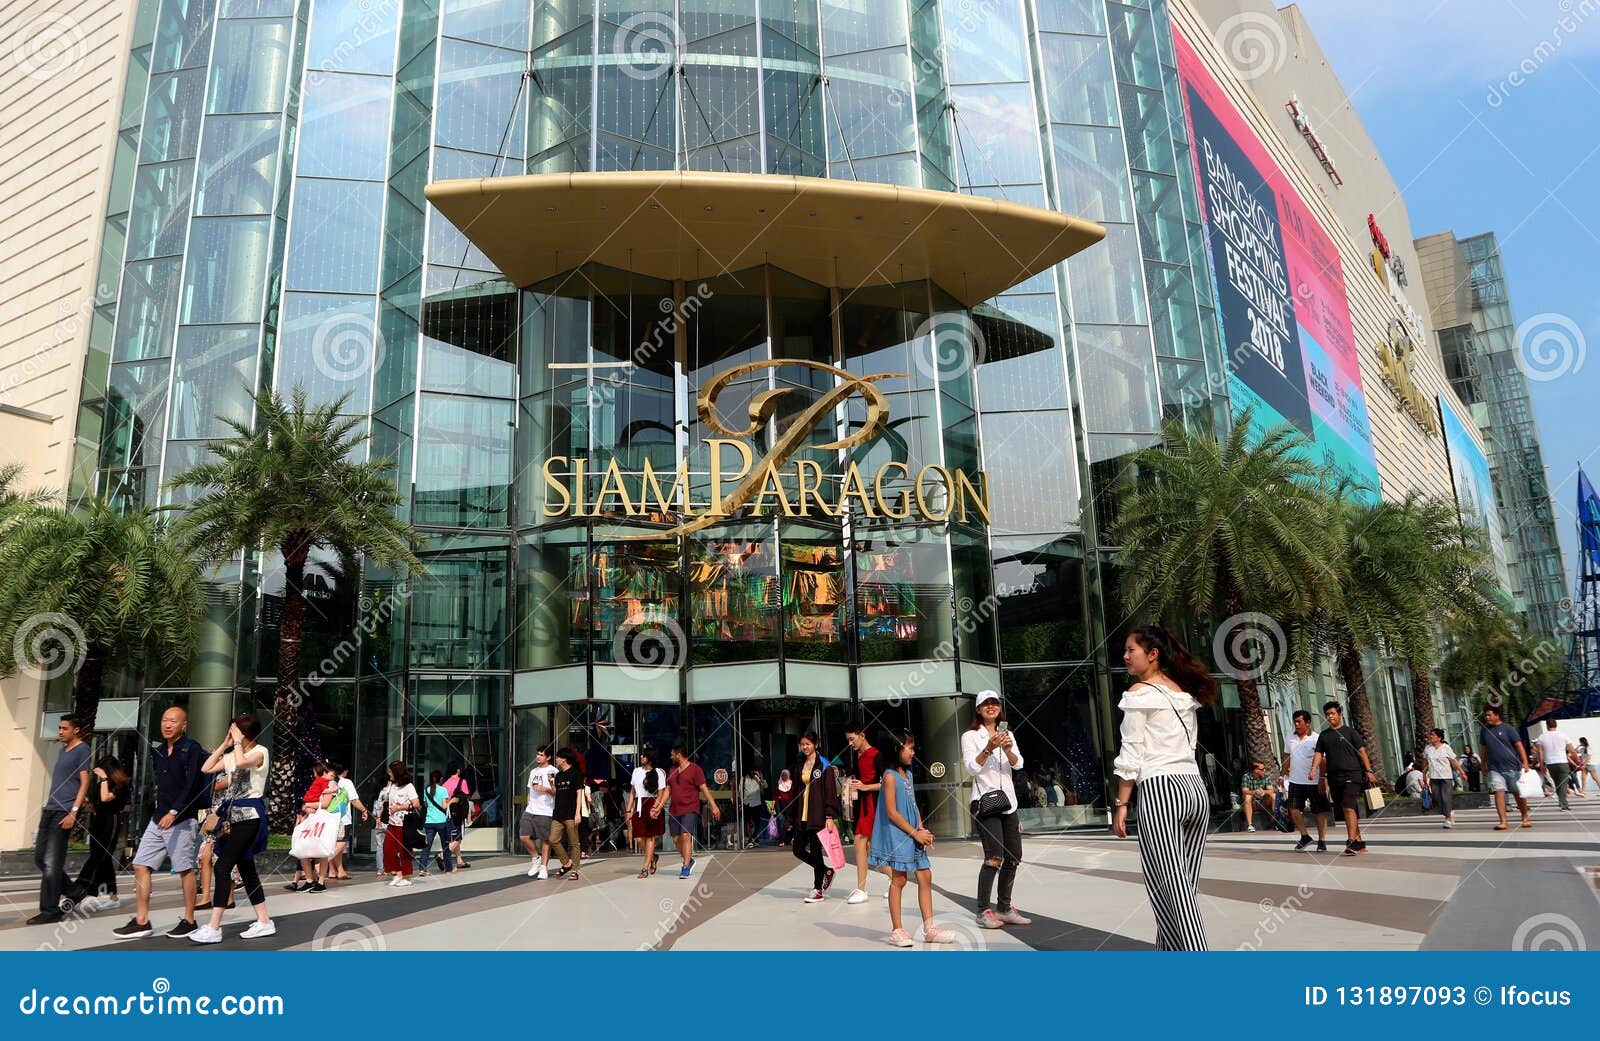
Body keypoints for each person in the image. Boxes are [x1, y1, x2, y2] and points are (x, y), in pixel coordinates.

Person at [1111, 626, 1216, 951]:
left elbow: (1132, 755)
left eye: (1131, 650)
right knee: (1181, 891)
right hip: (1195, 789)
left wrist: (1122, 804)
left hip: (1161, 790)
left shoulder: (1138, 694)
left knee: (1172, 892)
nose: (1126, 656)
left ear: (1152, 655)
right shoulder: (1183, 693)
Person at [113, 706, 207, 938]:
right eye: (164, 720)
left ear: (183, 725)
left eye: (173, 721)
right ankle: (142, 920)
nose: (167, 724)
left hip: (182, 819)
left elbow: (192, 785)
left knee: (185, 869)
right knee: (140, 864)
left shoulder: (191, 748)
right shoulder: (159, 750)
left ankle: (189, 920)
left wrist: (175, 811)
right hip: (158, 818)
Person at [190, 714, 274, 943]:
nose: (231, 733)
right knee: (247, 869)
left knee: (223, 867)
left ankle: (214, 926)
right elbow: (206, 769)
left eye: (234, 730)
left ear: (245, 733)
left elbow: (243, 763)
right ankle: (264, 921)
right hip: (230, 818)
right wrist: (225, 744)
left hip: (249, 817)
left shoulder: (261, 752)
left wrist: (237, 743)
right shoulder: (231, 753)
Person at [869, 729, 955, 946]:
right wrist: (914, 832)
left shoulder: (907, 774)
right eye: (910, 747)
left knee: (925, 876)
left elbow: (913, 805)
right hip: (900, 835)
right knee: (899, 879)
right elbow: (892, 812)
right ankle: (897, 929)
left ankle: (930, 928)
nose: (913, 752)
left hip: (914, 833)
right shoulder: (890, 776)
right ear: (896, 748)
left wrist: (922, 830)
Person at [963, 690, 1031, 930]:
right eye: (985, 704)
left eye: (994, 704)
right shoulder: (970, 736)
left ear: (999, 708)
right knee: (994, 857)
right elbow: (972, 768)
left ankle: (1004, 908)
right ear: (979, 709)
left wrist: (1008, 748)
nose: (990, 707)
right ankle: (983, 910)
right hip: (986, 802)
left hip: (1008, 802)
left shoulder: (1007, 733)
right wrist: (989, 748)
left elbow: (1019, 763)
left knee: (1014, 856)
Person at [29, 715, 92, 925]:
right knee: (40, 857)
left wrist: (73, 812)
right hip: (50, 809)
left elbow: (84, 782)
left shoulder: (82, 749)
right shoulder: (62, 750)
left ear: (76, 730)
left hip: (63, 811)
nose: (60, 731)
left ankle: (50, 910)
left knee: (51, 863)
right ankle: (74, 891)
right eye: (59, 728)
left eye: (65, 728)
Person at [1310, 701, 1379, 856]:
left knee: (1348, 806)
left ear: (1340, 714)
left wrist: (1368, 770)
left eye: (1332, 713)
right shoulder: (1324, 736)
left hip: (1352, 775)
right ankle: (1359, 842)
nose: (1330, 716)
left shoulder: (1350, 732)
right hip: (1334, 778)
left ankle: (1351, 842)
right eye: (1327, 714)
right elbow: (1319, 755)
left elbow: (1362, 752)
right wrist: (1314, 769)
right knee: (1349, 809)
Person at [785, 730, 842, 902]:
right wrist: (789, 817)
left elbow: (830, 792)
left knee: (816, 851)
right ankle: (826, 870)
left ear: (815, 744)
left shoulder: (824, 765)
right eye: (802, 744)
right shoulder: (799, 764)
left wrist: (829, 816)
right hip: (801, 815)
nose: (804, 747)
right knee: (798, 850)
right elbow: (795, 792)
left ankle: (818, 889)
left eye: (808, 744)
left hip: (817, 816)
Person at [70, 755, 131, 913]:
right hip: (98, 822)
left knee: (97, 858)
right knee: (103, 860)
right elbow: (97, 803)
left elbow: (105, 798)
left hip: (111, 822)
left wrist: (104, 779)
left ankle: (81, 891)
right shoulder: (101, 784)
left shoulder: (120, 785)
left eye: (102, 771)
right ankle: (112, 896)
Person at [844, 721, 891, 903]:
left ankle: (861, 889)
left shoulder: (877, 755)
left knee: (859, 843)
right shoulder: (859, 756)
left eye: (851, 739)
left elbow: (888, 782)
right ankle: (893, 877)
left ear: (861, 735)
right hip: (863, 804)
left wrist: (865, 786)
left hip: (873, 804)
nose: (850, 743)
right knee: (872, 851)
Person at [658, 744, 721, 879]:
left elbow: (704, 788)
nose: (671, 756)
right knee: (676, 839)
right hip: (675, 809)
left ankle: (686, 866)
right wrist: (659, 806)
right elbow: (668, 790)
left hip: (690, 808)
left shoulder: (695, 770)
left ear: (678, 755)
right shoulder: (672, 770)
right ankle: (689, 859)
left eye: (672, 754)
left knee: (686, 835)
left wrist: (714, 806)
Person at [1279, 709, 1329, 852]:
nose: (1297, 724)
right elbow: (1286, 758)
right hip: (1295, 781)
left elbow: (1323, 760)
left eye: (1299, 721)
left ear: (1307, 723)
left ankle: (1322, 841)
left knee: (1318, 812)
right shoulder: (1289, 737)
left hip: (1314, 781)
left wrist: (1321, 778)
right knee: (1293, 809)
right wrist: (1282, 776)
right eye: (1295, 721)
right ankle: (1305, 836)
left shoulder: (1316, 738)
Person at [1480, 704, 1532, 831]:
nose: (1487, 717)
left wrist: (1525, 762)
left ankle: (1525, 817)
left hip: (1512, 767)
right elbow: (1483, 750)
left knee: (1517, 793)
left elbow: (1519, 745)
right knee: (1499, 793)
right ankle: (1503, 821)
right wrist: (1483, 765)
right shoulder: (1484, 731)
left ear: (1497, 715)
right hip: (1494, 768)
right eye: (1486, 715)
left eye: (1489, 715)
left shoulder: (1508, 728)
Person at [285, 761, 335, 893]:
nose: (313, 775)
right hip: (311, 820)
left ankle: (320, 881)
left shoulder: (329, 784)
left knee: (322, 850)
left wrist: (308, 806)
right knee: (303, 850)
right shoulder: (319, 784)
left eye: (315, 772)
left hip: (322, 821)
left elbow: (325, 804)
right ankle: (309, 880)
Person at [627, 749, 667, 877]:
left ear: (649, 758)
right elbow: (632, 792)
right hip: (639, 805)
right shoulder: (636, 771)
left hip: (652, 804)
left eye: (643, 755)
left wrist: (656, 807)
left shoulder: (659, 772)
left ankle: (645, 868)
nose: (641, 757)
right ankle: (653, 857)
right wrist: (628, 810)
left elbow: (661, 791)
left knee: (650, 836)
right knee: (639, 838)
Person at [326, 761, 368, 882]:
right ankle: (321, 862)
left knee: (336, 843)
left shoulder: (327, 782)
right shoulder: (346, 782)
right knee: (342, 843)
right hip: (343, 819)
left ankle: (336, 871)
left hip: (329, 818)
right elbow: (354, 800)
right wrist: (364, 810)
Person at [520, 746, 557, 879]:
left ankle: (543, 867)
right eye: (537, 754)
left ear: (548, 757)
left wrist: (545, 789)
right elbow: (530, 790)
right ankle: (535, 858)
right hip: (531, 809)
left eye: (541, 755)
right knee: (523, 836)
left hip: (546, 810)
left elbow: (557, 793)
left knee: (545, 840)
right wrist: (529, 803)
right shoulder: (533, 771)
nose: (537, 757)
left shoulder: (553, 771)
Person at [380, 761, 419, 887]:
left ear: (396, 772)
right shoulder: (392, 785)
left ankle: (407, 877)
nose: (389, 773)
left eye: (390, 771)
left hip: (404, 824)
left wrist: (400, 807)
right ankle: (398, 873)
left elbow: (416, 804)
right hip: (392, 823)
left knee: (404, 851)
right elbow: (387, 801)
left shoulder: (409, 786)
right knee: (388, 850)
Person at [1421, 728, 1468, 829]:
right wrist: (1424, 775)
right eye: (1431, 734)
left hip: (1446, 777)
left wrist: (1462, 772)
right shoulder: (1428, 748)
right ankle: (1449, 812)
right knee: (1437, 798)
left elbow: (1454, 761)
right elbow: (1425, 762)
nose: (1431, 736)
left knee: (1446, 798)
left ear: (1439, 737)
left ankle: (1448, 819)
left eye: (1433, 735)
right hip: (1434, 777)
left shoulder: (1446, 747)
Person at [549, 748, 584, 880]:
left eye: (558, 757)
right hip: (558, 813)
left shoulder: (576, 774)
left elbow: (579, 794)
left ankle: (575, 870)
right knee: (553, 839)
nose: (556, 759)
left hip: (571, 813)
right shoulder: (558, 775)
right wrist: (551, 785)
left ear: (564, 759)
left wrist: (577, 813)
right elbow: (557, 794)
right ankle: (567, 863)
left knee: (574, 843)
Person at [416, 770, 456, 878]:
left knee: (426, 846)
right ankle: (448, 869)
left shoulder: (426, 790)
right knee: (445, 845)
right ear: (441, 779)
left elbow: (426, 804)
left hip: (429, 822)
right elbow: (444, 806)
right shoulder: (443, 790)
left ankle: (422, 869)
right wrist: (451, 801)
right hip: (441, 821)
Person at [1535, 720, 1578, 812]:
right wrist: (1577, 760)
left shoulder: (1541, 737)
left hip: (1550, 763)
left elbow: (1540, 752)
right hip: (1562, 761)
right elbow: (1572, 750)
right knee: (1563, 783)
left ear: (1547, 726)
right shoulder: (1563, 735)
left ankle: (1562, 802)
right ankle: (1563, 804)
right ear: (1556, 725)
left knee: (1557, 783)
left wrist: (1542, 764)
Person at [443, 762, 472, 869]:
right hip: (458, 812)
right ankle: (442, 855)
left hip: (448, 812)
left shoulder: (445, 783)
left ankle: (459, 860)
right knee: (459, 837)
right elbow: (466, 797)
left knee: (453, 836)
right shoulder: (462, 781)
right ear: (458, 770)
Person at [1239, 759, 1276, 832]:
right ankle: (1250, 825)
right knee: (1247, 796)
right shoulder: (1246, 776)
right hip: (1253, 803)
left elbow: (1271, 790)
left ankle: (1274, 822)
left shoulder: (1266, 776)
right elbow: (1245, 791)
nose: (1264, 770)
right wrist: (1255, 792)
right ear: (1256, 770)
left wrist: (1264, 791)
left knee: (1273, 795)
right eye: (1262, 769)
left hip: (1263, 802)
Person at [740, 767, 767, 849]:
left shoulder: (757, 779)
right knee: (747, 822)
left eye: (754, 771)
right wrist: (741, 802)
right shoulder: (743, 778)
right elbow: (740, 791)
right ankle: (750, 839)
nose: (752, 772)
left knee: (757, 822)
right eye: (751, 770)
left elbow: (765, 786)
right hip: (747, 803)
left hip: (756, 803)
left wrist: (760, 777)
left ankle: (755, 837)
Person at [772, 769, 795, 845]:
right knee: (781, 821)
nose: (783, 776)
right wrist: (772, 807)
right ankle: (781, 840)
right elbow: (775, 798)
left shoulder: (792, 784)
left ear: (788, 776)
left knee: (790, 824)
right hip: (780, 806)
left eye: (785, 775)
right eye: (782, 775)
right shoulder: (778, 785)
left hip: (790, 807)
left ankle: (788, 839)